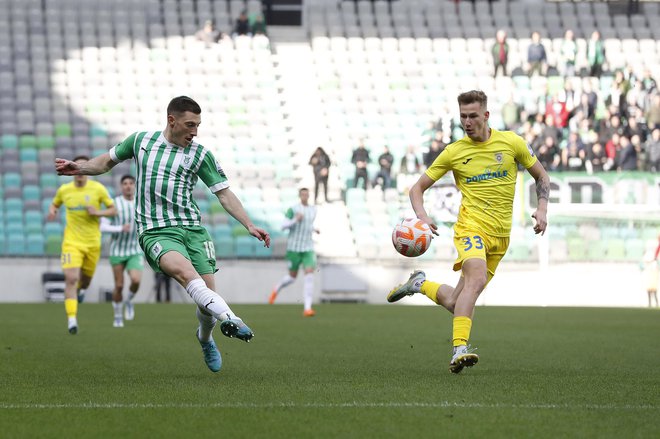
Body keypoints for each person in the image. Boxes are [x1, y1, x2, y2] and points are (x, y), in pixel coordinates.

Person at [55, 96, 270, 373]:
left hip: (192, 230)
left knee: (206, 303)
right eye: (190, 125)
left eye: (198, 126)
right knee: (186, 276)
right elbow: (106, 163)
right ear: (172, 120)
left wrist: (249, 224)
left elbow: (224, 193)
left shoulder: (201, 154)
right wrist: (79, 167)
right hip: (155, 230)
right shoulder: (141, 142)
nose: (194, 132)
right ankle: (233, 318)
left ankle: (205, 338)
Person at [386, 90, 549, 374]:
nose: (467, 122)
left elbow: (542, 176)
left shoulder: (512, 143)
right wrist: (422, 217)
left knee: (456, 301)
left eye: (473, 116)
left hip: (500, 238)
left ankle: (419, 284)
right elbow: (417, 189)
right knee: (474, 281)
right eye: (463, 116)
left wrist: (543, 209)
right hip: (470, 228)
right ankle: (459, 348)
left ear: (486, 115)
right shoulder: (454, 152)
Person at [47, 155, 117, 334]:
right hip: (72, 243)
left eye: (82, 167)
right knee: (71, 279)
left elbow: (113, 210)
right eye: (75, 167)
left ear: (86, 170)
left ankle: (81, 291)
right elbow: (54, 204)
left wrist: (98, 213)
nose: (79, 172)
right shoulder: (64, 190)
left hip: (93, 243)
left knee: (84, 282)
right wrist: (53, 210)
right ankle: (72, 319)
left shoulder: (98, 189)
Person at [99, 175, 143, 328]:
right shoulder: (115, 204)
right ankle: (118, 315)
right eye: (125, 183)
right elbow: (102, 227)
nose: (128, 186)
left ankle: (129, 300)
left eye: (131, 183)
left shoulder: (141, 202)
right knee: (118, 286)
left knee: (136, 281)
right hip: (117, 250)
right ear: (121, 186)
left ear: (135, 185)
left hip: (134, 250)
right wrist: (119, 228)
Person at [268, 188, 319, 317]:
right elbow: (283, 226)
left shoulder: (313, 210)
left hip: (308, 248)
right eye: (303, 194)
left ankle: (307, 308)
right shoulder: (293, 209)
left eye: (307, 194)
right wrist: (295, 220)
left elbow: (308, 225)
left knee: (309, 274)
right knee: (292, 277)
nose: (305, 196)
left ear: (309, 195)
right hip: (294, 248)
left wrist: (315, 229)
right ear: (299, 195)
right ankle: (276, 289)